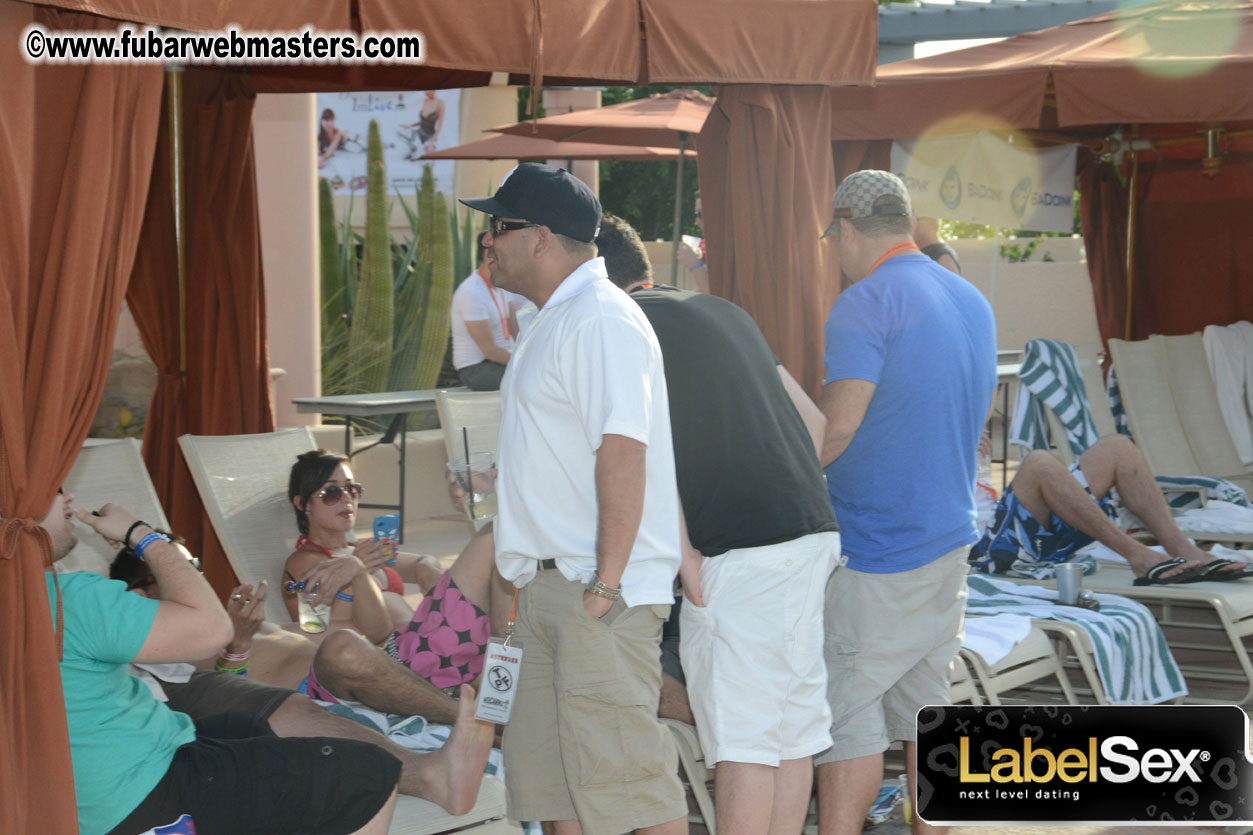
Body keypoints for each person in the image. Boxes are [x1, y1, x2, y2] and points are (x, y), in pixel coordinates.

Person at [461, 162, 688, 835]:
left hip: (591, 592)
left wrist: (605, 586)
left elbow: (623, 453)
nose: (487, 242)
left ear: (539, 237)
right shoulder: (554, 318)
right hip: (545, 593)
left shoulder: (599, 318)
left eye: (498, 227)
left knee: (629, 789)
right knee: (554, 794)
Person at [598, 214, 841, 835]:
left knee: (744, 742)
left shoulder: (622, 325)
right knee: (791, 732)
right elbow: (814, 426)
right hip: (811, 530)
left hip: (736, 551)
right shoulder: (724, 311)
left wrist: (685, 556)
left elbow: (644, 454)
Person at [37, 488, 401, 835]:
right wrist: (141, 535)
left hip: (120, 777)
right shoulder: (71, 600)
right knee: (370, 772)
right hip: (142, 791)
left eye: (193, 564)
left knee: (249, 727)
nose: (68, 497)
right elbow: (213, 633)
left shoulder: (38, 596)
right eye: (54, 487)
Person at [816, 170, 997, 835]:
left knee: (848, 716)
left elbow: (838, 426)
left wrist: (781, 477)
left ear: (845, 228)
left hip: (877, 548)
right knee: (928, 711)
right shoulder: (970, 298)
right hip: (949, 535)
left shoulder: (864, 301)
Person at [108, 544, 494, 811]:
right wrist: (238, 645)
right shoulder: (160, 650)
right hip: (320, 688)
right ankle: (482, 724)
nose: (195, 575)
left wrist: (360, 580)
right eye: (178, 568)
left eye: (193, 564)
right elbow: (221, 701)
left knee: (492, 546)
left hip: (375, 670)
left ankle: (481, 712)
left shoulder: (223, 618)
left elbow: (343, 633)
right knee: (343, 648)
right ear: (140, 594)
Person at [284, 450, 510, 703]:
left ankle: (501, 685)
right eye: (332, 493)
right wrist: (358, 572)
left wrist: (424, 569)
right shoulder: (308, 564)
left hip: (428, 645)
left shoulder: (359, 552)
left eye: (352, 489)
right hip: (397, 662)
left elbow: (423, 560)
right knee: (493, 537)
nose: (346, 498)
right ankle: (502, 674)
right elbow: (344, 636)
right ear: (303, 504)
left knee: (503, 570)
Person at [969, 434, 1246, 582]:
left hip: (1019, 532)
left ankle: (1183, 548)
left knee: (1117, 447)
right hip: (987, 553)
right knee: (1039, 463)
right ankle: (1137, 555)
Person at [450, 231, 522, 390]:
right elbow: (490, 351)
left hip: (502, 361)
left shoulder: (502, 285)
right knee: (532, 379)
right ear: (488, 254)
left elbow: (517, 333)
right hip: (476, 368)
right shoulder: (471, 292)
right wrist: (526, 362)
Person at [400, 91, 445, 157]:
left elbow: (439, 126)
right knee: (399, 130)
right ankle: (414, 148)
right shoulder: (425, 101)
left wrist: (432, 142)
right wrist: (410, 125)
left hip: (430, 136)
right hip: (419, 133)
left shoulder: (440, 103)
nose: (425, 92)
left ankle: (426, 146)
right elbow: (423, 121)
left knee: (429, 155)